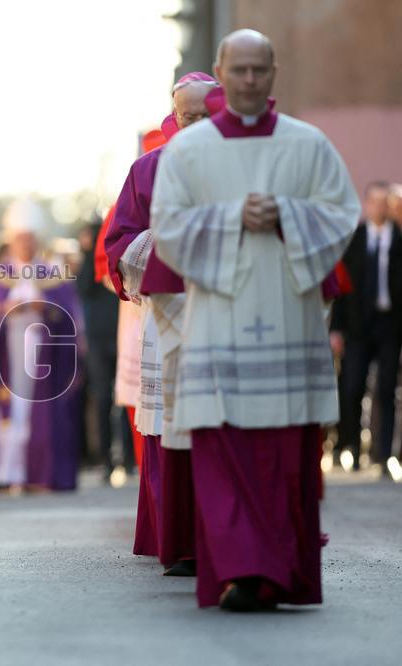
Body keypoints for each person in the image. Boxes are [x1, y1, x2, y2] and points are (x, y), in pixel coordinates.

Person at [151, 30, 360, 610]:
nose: (248, 80)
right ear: (221, 68)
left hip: (287, 320)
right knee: (226, 448)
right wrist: (229, 220)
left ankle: (283, 571)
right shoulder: (187, 154)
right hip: (220, 320)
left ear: (272, 73)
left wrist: (288, 215)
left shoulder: (308, 144)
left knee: (283, 452)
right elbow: (166, 227)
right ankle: (241, 571)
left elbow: (341, 215)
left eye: (258, 70)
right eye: (237, 69)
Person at [105, 72, 218, 575]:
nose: (194, 124)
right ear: (173, 118)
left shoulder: (239, 164)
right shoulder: (147, 169)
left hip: (225, 312)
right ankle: (180, 542)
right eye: (186, 115)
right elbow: (118, 245)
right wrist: (168, 239)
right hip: (169, 314)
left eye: (205, 114)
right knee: (169, 427)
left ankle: (224, 536)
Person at [0, 199, 84, 491]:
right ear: (11, 239)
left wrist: (43, 308)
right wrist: (4, 309)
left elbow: (69, 316)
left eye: (30, 238)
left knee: (36, 413)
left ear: (38, 239)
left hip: (39, 355)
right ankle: (0, 472)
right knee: (5, 412)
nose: (25, 244)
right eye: (20, 238)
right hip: (6, 354)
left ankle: (39, 472)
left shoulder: (52, 275)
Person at [330, 181, 402, 471]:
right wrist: (336, 328)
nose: (379, 207)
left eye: (385, 202)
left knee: (386, 390)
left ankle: (384, 455)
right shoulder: (355, 239)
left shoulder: (399, 239)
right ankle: (352, 449)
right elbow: (340, 287)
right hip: (357, 326)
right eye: (374, 201)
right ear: (366, 204)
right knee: (351, 388)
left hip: (390, 325)